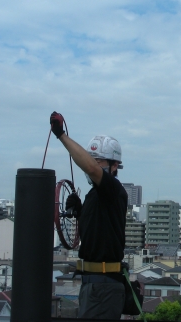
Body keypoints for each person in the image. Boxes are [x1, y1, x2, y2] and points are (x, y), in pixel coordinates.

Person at [50, 111, 128, 319]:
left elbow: (92, 169)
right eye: (92, 159)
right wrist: (80, 212)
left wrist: (61, 135)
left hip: (103, 287)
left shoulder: (113, 189)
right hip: (93, 284)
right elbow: (97, 232)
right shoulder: (96, 195)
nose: (93, 165)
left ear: (114, 166)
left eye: (99, 161)